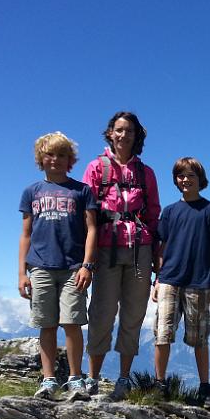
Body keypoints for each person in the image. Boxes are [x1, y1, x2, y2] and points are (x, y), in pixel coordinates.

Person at [82, 112, 161, 400]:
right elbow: (87, 213)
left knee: (133, 314)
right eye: (119, 130)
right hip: (106, 247)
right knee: (102, 313)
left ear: (136, 136)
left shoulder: (145, 173)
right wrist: (86, 259)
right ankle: (92, 378)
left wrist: (155, 254)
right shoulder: (96, 168)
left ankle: (124, 379)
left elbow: (153, 214)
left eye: (129, 131)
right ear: (110, 133)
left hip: (139, 247)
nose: (123, 135)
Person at [18, 132, 98, 401]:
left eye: (62, 155)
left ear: (70, 160)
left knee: (72, 322)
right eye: (50, 155)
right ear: (41, 159)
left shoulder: (81, 191)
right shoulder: (32, 192)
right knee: (46, 324)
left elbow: (91, 229)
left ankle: (75, 379)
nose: (55, 160)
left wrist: (87, 265)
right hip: (40, 266)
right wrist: (21, 273)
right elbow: (26, 234)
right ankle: (49, 380)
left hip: (73, 267)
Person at [152, 157, 210, 409]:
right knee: (163, 333)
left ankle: (205, 388)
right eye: (181, 175)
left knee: (199, 338)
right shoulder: (170, 212)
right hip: (169, 280)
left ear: (200, 179)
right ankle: (160, 384)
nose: (185, 179)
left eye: (190, 175)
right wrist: (157, 279)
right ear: (176, 180)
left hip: (198, 282)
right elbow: (161, 247)